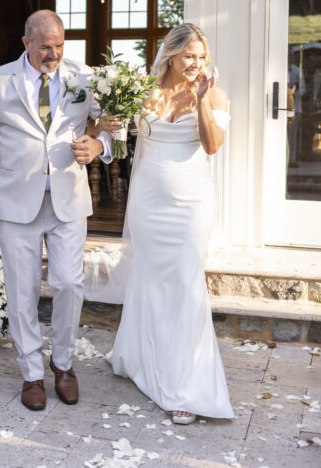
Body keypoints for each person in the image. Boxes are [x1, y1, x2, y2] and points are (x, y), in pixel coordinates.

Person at [0, 9, 113, 411]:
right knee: (21, 290)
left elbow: (114, 124)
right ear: (26, 43)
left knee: (69, 283)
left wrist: (99, 145)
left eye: (60, 45)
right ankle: (31, 372)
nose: (54, 54)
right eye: (45, 46)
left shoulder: (84, 77)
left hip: (68, 199)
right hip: (16, 203)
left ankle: (63, 364)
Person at [104, 22, 234, 425]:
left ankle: (186, 385)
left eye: (202, 57)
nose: (197, 63)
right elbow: (119, 140)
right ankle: (139, 357)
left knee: (185, 284)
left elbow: (212, 146)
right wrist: (110, 123)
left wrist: (201, 101)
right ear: (171, 54)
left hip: (192, 204)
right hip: (148, 201)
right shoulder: (143, 91)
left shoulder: (214, 93)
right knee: (148, 279)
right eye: (189, 55)